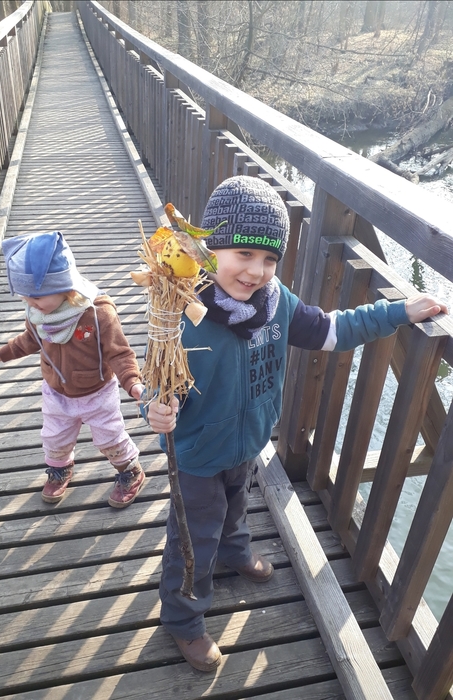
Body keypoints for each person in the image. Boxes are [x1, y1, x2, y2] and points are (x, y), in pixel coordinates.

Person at [145, 175, 449, 673]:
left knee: (236, 505)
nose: (256, 270)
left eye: (269, 259)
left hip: (248, 442)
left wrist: (397, 311)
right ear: (208, 250)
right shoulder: (180, 312)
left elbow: (333, 329)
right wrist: (155, 411)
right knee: (192, 539)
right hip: (196, 454)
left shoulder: (276, 303)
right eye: (243, 254)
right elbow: (156, 386)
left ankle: (235, 550)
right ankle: (183, 618)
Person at [0, 231, 146, 507]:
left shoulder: (97, 314)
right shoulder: (38, 314)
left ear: (64, 287)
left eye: (36, 299)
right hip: (56, 392)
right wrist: (1, 353)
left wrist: (132, 382)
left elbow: (119, 353)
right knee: (54, 437)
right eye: (27, 301)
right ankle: (60, 468)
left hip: (97, 392)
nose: (32, 305)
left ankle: (130, 470)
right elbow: (30, 339)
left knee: (110, 437)